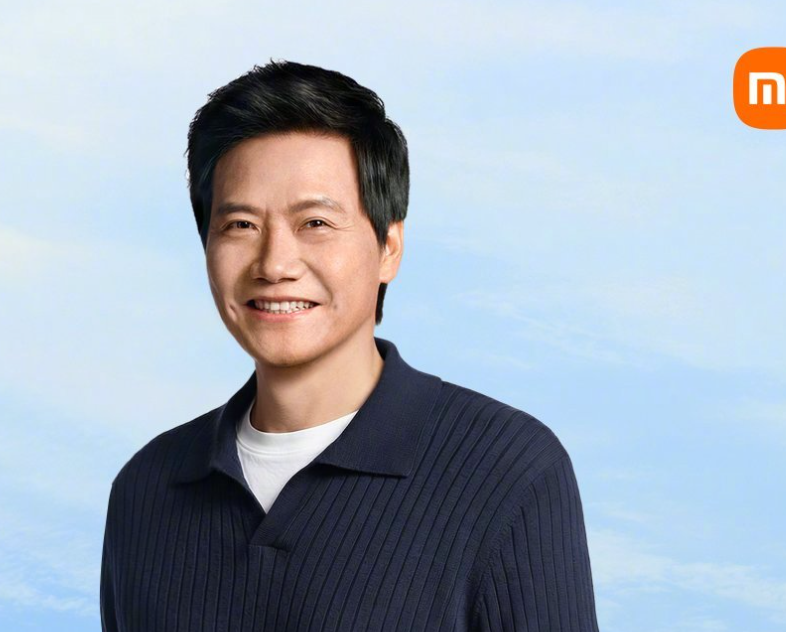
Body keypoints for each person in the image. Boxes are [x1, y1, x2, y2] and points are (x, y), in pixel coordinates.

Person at [100, 59, 600, 632]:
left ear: (389, 247)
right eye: (240, 225)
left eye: (314, 223)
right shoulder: (147, 488)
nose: (275, 265)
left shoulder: (508, 469)